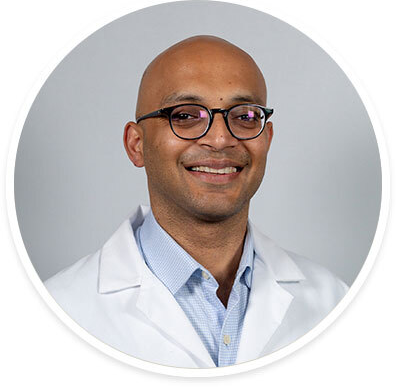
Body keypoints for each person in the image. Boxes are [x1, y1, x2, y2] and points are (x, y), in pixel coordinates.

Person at [45, 35, 348, 368]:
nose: (220, 139)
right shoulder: (53, 313)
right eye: (186, 115)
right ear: (136, 144)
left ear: (267, 139)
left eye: (245, 116)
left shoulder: (335, 302)